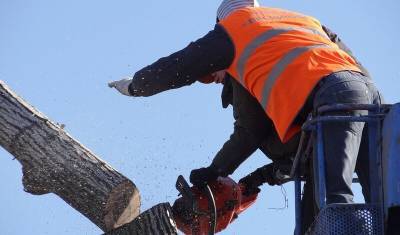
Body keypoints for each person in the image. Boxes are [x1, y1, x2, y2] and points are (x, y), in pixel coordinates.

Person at [109, 0, 383, 232]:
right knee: (378, 202)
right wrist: (255, 179)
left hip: (332, 99)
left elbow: (181, 67)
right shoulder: (301, 23)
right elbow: (354, 67)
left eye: (211, 74)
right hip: (366, 99)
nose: (215, 81)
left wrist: (137, 85)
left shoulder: (233, 32)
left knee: (335, 197)